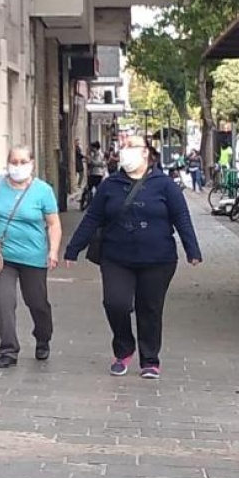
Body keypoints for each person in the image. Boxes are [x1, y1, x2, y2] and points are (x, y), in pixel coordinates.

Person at [64, 135, 202, 380]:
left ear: (146, 152)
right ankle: (124, 349)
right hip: (116, 256)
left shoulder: (165, 184)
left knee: (149, 308)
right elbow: (92, 218)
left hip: (158, 259)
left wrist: (192, 250)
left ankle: (150, 360)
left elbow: (181, 217)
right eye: (123, 146)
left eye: (131, 146)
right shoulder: (111, 185)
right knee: (115, 303)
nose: (125, 151)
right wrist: (73, 249)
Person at [0, 146, 62, 369]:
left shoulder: (43, 191)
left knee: (37, 303)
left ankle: (43, 336)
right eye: (14, 162)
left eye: (22, 162)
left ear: (31, 163)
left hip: (33, 257)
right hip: (0, 256)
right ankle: (8, 349)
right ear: (7, 163)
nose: (17, 166)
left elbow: (53, 223)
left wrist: (53, 250)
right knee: (3, 303)